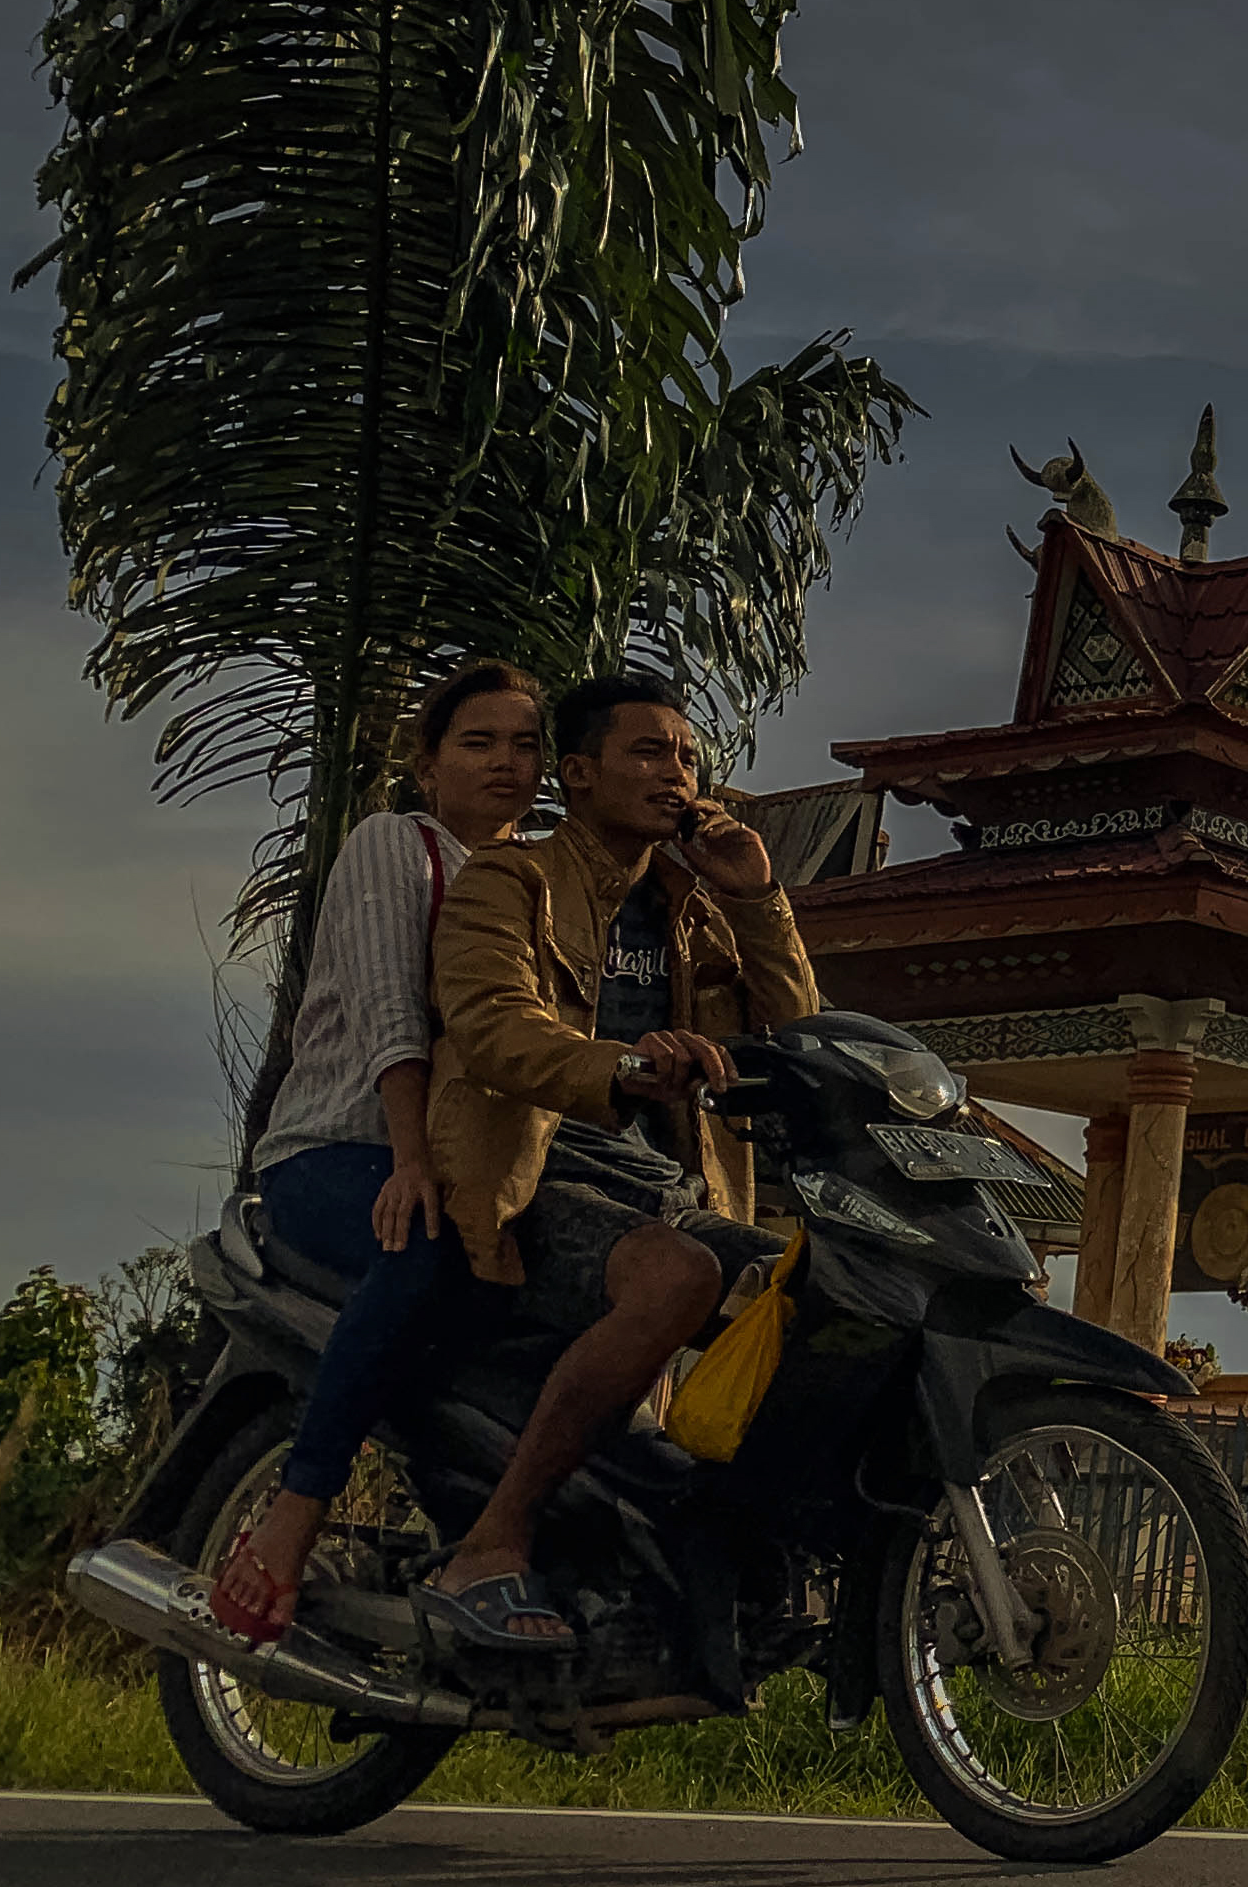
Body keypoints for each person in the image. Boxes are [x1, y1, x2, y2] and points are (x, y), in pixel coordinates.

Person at [414, 672, 820, 1649]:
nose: (674, 774)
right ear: (580, 774)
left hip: (663, 1187)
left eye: (686, 756)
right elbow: (490, 1026)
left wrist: (758, 892)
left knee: (815, 1293)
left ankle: (715, 1555)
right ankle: (491, 1544)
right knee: (677, 1277)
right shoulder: (508, 884)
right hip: (536, 1176)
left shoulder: (693, 910)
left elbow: (804, 1030)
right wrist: (623, 1065)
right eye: (647, 752)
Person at [207, 660, 548, 1644]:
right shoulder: (397, 845)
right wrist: (408, 1160)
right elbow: (387, 1009)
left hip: (467, 1162)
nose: (505, 763)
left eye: (525, 745)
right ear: (428, 763)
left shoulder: (534, 877)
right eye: (478, 742)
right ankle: (292, 1515)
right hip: (336, 1150)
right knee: (423, 1250)